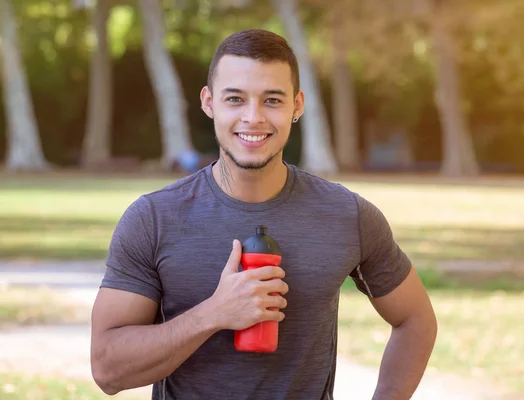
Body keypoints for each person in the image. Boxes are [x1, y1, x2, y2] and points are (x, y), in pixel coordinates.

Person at [90, 29, 437, 400]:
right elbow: (108, 370)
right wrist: (213, 314)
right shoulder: (154, 218)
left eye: (272, 100)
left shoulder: (348, 215)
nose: (253, 118)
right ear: (209, 103)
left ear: (297, 105)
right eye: (235, 99)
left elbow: (416, 320)